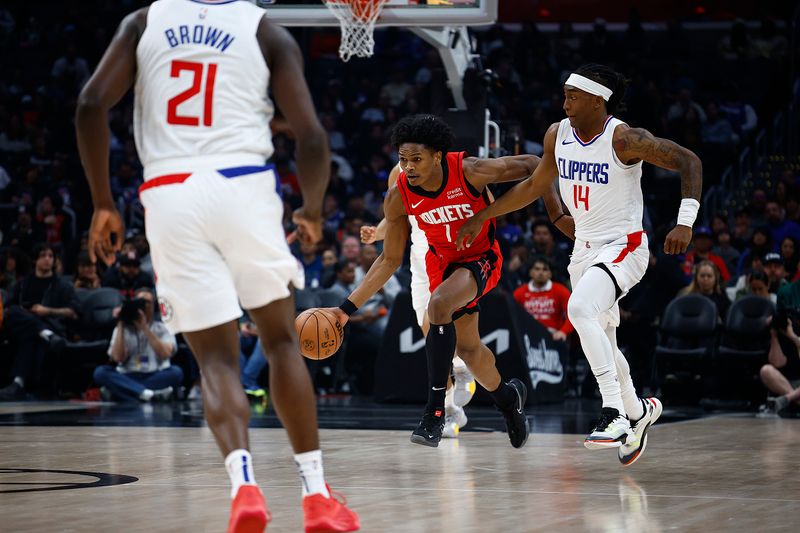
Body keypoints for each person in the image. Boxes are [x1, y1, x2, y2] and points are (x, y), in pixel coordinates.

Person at [74, 2, 359, 532]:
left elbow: (91, 104)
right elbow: (312, 138)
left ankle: (244, 487)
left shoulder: (142, 21)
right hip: (242, 184)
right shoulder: (265, 29)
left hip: (168, 193)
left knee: (217, 363)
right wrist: (312, 212)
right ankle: (317, 494)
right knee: (278, 342)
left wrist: (104, 203)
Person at [457, 64, 703, 465]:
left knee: (579, 309)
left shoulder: (624, 139)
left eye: (573, 96)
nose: (565, 102)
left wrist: (685, 223)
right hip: (584, 248)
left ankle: (613, 413)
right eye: (565, 95)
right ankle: (640, 412)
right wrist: (484, 216)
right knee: (602, 337)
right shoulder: (558, 133)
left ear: (596, 99)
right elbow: (537, 185)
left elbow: (689, 161)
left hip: (624, 245)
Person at [330, 114, 535, 448]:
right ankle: (508, 400)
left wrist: (554, 211)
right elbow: (388, 259)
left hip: (480, 256)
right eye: (403, 160)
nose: (409, 167)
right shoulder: (399, 195)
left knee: (438, 305)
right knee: (469, 350)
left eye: (416, 159)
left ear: (437, 155)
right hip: (440, 262)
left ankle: (435, 412)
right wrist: (344, 310)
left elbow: (533, 164)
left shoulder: (469, 169)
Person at [0, 243, 78, 400]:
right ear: (35, 260)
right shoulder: (23, 284)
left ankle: (18, 384)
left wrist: (47, 311)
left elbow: (73, 312)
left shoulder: (63, 285)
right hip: (26, 327)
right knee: (15, 311)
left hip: (52, 324)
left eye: (50, 256)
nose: (47, 260)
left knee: (30, 336)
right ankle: (45, 334)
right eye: (43, 256)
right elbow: (8, 309)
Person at [93, 288, 183, 401]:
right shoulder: (121, 329)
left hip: (154, 374)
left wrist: (144, 328)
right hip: (128, 374)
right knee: (100, 373)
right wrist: (121, 322)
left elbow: (165, 354)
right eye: (140, 302)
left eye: (148, 302)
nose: (144, 306)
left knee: (176, 372)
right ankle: (149, 394)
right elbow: (117, 358)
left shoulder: (162, 328)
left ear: (154, 306)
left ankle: (125, 392)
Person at [513, 256, 574, 342]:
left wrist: (563, 332)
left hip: (553, 337)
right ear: (531, 272)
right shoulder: (519, 293)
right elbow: (513, 316)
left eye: (545, 269)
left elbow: (572, 315)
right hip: (526, 336)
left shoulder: (561, 291)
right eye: (537, 269)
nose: (540, 272)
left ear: (550, 274)